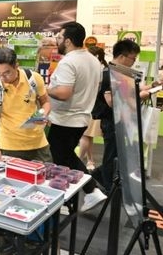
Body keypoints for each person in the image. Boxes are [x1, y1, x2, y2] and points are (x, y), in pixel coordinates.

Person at [47, 21, 107, 212]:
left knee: (62, 158)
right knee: (64, 157)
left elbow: (64, 93)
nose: (57, 41)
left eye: (59, 37)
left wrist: (46, 89)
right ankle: (71, 198)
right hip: (81, 118)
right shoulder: (93, 60)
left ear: (68, 41)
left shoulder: (69, 61)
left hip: (65, 119)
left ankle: (91, 189)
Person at [90, 40, 146, 193]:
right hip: (111, 120)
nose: (134, 62)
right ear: (122, 56)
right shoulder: (108, 74)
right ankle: (109, 187)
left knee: (118, 153)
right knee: (111, 154)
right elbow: (111, 102)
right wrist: (138, 97)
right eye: (132, 58)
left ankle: (99, 175)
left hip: (121, 119)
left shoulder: (122, 74)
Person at [0, 47, 52, 163]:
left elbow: (46, 102)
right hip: (9, 146)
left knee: (46, 173)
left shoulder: (33, 78)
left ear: (16, 66)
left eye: (7, 73)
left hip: (39, 144)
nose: (2, 78)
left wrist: (43, 114)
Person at [79, 45, 107, 171]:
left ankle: (78, 160)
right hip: (94, 107)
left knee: (85, 135)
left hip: (92, 108)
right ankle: (90, 160)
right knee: (88, 135)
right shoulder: (102, 69)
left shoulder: (98, 70)